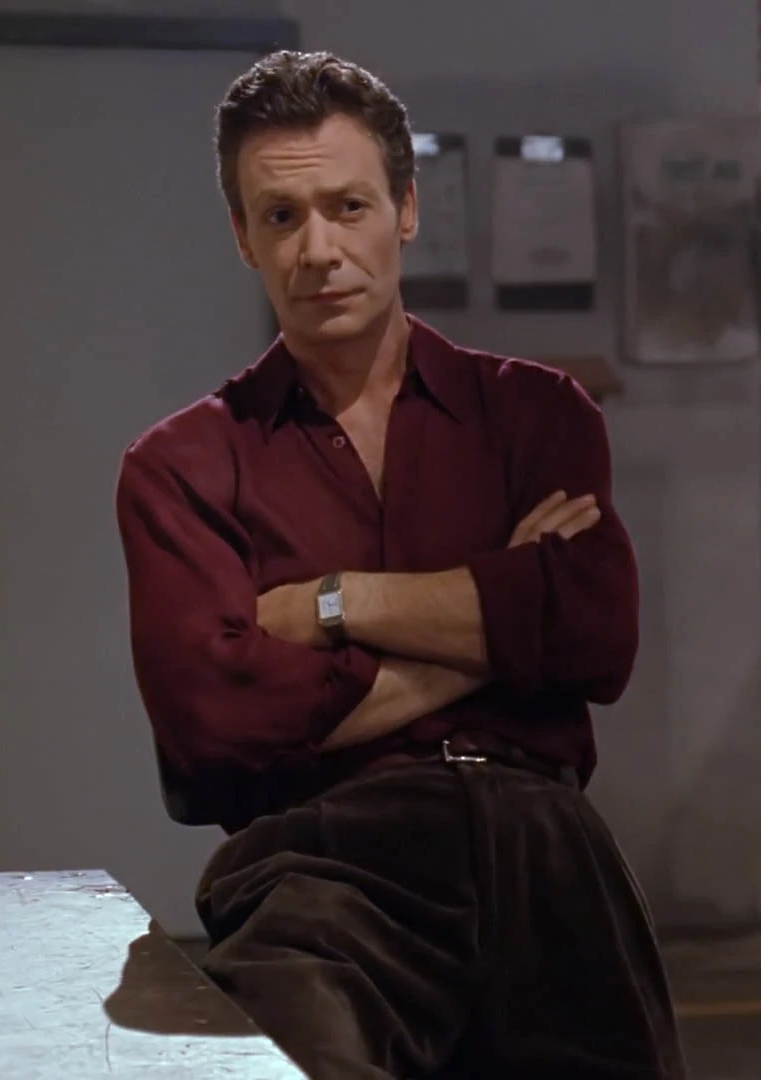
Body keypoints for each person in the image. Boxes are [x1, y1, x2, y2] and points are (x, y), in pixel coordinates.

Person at [116, 50, 686, 1080]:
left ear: (407, 210)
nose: (319, 250)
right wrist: (503, 625)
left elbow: (597, 634)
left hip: (545, 845)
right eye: (281, 217)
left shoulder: (536, 414)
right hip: (323, 861)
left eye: (348, 207)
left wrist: (333, 606)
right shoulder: (183, 465)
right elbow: (213, 727)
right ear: (244, 237)